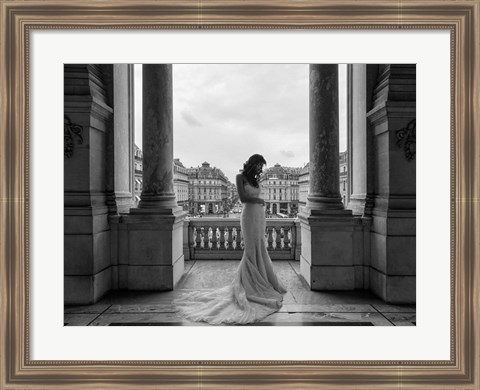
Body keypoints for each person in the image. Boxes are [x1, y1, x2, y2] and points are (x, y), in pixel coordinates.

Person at [174, 154, 286, 325]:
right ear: (252, 164)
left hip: (259, 215)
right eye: (258, 166)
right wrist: (259, 200)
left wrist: (260, 203)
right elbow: (242, 198)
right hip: (249, 214)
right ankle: (248, 283)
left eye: (261, 168)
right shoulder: (240, 177)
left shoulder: (256, 179)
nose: (260, 170)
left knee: (260, 246)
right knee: (250, 248)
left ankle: (263, 279)